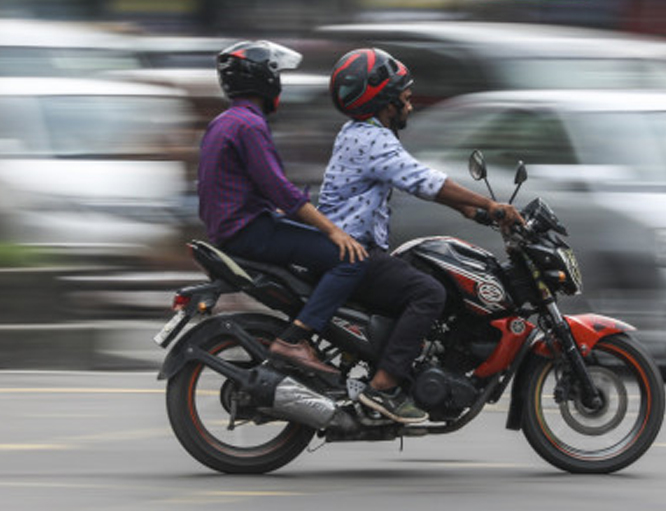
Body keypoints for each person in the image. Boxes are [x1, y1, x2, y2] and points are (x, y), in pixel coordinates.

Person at [320, 48, 523, 424]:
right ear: (385, 100)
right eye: (406, 97)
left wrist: (469, 210)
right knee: (429, 292)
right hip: (353, 252)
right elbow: (424, 181)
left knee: (422, 274)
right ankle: (383, 388)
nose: (410, 105)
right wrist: (490, 205)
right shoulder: (373, 139)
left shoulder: (357, 133)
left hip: (344, 248)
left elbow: (414, 178)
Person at [196, 40, 368, 380]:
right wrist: (333, 230)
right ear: (265, 80)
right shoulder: (249, 125)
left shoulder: (223, 122)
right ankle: (295, 339)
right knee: (351, 258)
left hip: (232, 231)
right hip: (251, 232)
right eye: (278, 76)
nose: (280, 85)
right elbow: (280, 191)